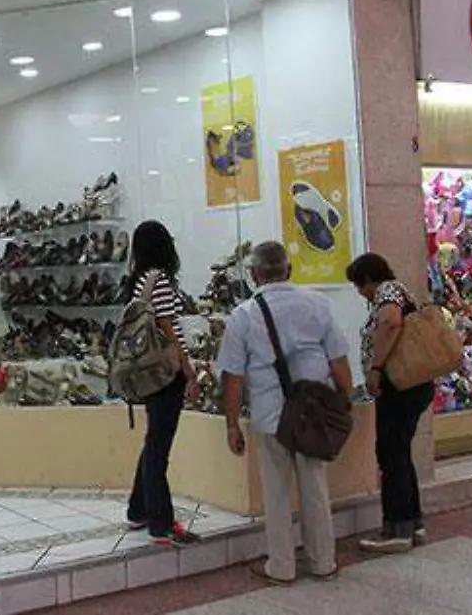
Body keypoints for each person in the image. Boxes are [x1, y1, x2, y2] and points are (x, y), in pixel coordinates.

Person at [217, 242, 352, 583]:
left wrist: (232, 425)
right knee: (315, 488)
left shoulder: (244, 315)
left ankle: (281, 565)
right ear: (289, 270)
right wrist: (343, 401)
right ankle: (323, 561)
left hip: (271, 416)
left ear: (253, 274)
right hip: (312, 413)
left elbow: (233, 377)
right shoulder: (318, 304)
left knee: (276, 493)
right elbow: (339, 361)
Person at [347, 252, 432, 553]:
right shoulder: (400, 290)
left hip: (399, 387)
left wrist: (376, 368)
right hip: (413, 386)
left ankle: (397, 528)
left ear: (369, 279)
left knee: (391, 455)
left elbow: (391, 322)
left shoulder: (388, 291)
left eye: (359, 286)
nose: (361, 293)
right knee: (400, 454)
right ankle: (413, 523)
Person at [124, 221, 201, 546]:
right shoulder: (161, 280)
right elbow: (169, 328)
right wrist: (188, 370)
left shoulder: (139, 280)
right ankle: (161, 523)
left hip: (148, 371)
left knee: (153, 441)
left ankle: (138, 509)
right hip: (166, 371)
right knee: (159, 448)